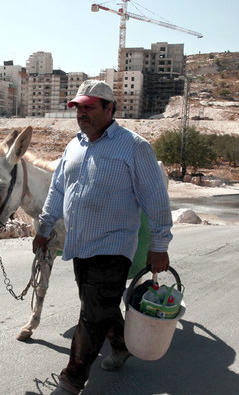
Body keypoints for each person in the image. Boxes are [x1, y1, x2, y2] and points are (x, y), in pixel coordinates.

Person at [32, 80, 173, 395]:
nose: (82, 113)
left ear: (110, 109)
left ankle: (71, 380)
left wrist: (159, 246)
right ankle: (121, 345)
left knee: (92, 312)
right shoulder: (74, 146)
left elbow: (157, 200)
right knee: (97, 306)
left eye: (89, 107)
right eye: (79, 108)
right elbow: (57, 190)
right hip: (80, 245)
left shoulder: (134, 147)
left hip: (114, 246)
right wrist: (43, 227)